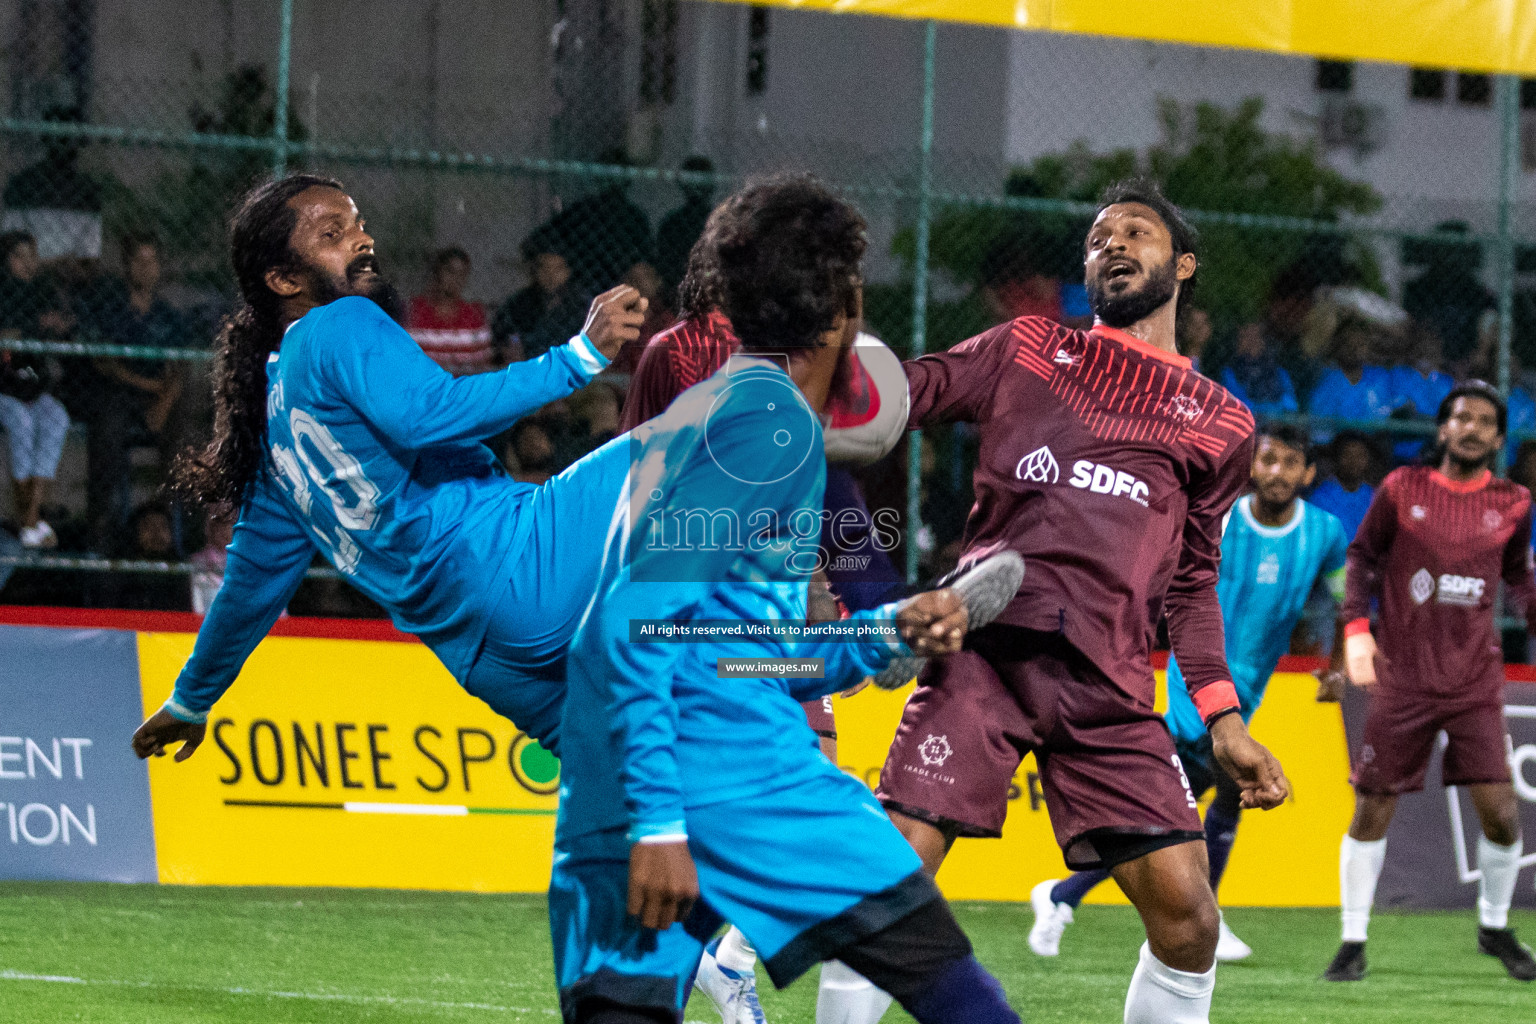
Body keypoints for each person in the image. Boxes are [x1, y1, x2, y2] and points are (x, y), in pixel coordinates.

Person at [552, 173, 1025, 1024]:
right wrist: (658, 824)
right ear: (844, 305)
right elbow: (625, 625)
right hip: (736, 782)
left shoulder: (711, 415)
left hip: (619, 783)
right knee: (963, 1001)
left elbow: (731, 653)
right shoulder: (770, 431)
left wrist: (884, 631)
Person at [874, 178, 1290, 1024]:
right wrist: (829, 356)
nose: (1113, 244)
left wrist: (1225, 719)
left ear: (1183, 264)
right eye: (1099, 237)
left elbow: (1192, 581)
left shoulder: (1223, 423)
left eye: (1136, 232)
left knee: (1188, 917)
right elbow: (900, 396)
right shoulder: (1026, 346)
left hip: (1109, 683)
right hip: (985, 654)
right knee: (890, 884)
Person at [128, 173, 647, 766]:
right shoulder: (337, 322)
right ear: (284, 279)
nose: (361, 239)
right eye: (333, 232)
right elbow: (432, 415)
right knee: (730, 425)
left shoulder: (271, 436)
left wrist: (191, 701)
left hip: (483, 658)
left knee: (635, 791)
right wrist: (579, 356)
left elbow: (249, 590)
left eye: (358, 223)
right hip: (524, 559)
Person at [619, 206, 907, 1024]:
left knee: (807, 772)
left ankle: (721, 957)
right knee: (802, 785)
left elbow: (829, 477)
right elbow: (639, 466)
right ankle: (712, 956)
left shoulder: (801, 346)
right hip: (708, 608)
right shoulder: (679, 352)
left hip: (776, 600)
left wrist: (864, 596)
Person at [1028, 423, 1348, 963]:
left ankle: (1068, 897)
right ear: (1252, 466)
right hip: (1195, 677)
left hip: (1252, 687)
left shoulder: (1326, 533)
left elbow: (1344, 600)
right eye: (1268, 460)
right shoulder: (1221, 519)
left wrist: (1337, 666)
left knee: (1207, 802)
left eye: (1291, 463)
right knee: (1186, 803)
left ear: (1309, 473)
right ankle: (1076, 899)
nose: (1278, 472)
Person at [1324, 381, 1536, 984]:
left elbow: (1519, 575)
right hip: (1403, 678)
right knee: (1373, 807)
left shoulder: (1515, 503)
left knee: (1500, 817)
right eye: (1460, 417)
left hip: (1473, 682)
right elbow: (1362, 558)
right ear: (1442, 430)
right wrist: (1356, 631)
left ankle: (1493, 927)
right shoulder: (1401, 489)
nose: (1470, 428)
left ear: (1498, 437)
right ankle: (1352, 940)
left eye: (1484, 421)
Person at [75, 233, 188, 553]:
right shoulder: (110, 309)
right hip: (119, 393)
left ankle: (165, 520)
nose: (146, 269)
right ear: (127, 266)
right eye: (139, 261)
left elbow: (181, 367)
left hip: (158, 399)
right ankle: (102, 527)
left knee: (181, 421)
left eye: (152, 261)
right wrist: (153, 387)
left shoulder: (167, 315)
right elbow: (105, 363)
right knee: (108, 423)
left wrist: (164, 402)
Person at [0, 230, 71, 548]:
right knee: (22, 422)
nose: (29, 263)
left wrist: (56, 325)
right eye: (19, 256)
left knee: (56, 417)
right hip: (3, 390)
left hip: (32, 386)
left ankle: (30, 515)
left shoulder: (42, 290)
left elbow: (64, 323)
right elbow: (10, 332)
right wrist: (35, 325)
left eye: (32, 256)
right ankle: (29, 519)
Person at [492, 228, 591, 362]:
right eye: (544, 268)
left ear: (567, 272)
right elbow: (505, 346)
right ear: (533, 271)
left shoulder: (582, 306)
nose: (550, 276)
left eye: (557, 269)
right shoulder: (516, 306)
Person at [406, 246, 494, 375]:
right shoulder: (414, 313)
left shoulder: (473, 316)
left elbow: (483, 366)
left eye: (462, 274)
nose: (455, 279)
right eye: (450, 271)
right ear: (437, 272)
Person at [655, 155, 715, 304]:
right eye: (692, 182)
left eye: (701, 182)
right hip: (676, 290)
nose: (697, 188)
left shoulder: (718, 223)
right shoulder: (672, 224)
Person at [1309, 431, 1376, 542]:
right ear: (1336, 458)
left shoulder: (1374, 497)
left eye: (1360, 456)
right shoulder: (1321, 497)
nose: (1354, 461)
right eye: (1347, 455)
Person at [1220, 322, 1299, 417]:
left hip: (1279, 424)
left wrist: (1276, 409)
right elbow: (1237, 404)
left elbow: (1291, 404)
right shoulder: (1230, 373)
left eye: (1256, 337)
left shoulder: (1278, 372)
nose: (1251, 342)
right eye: (1246, 337)